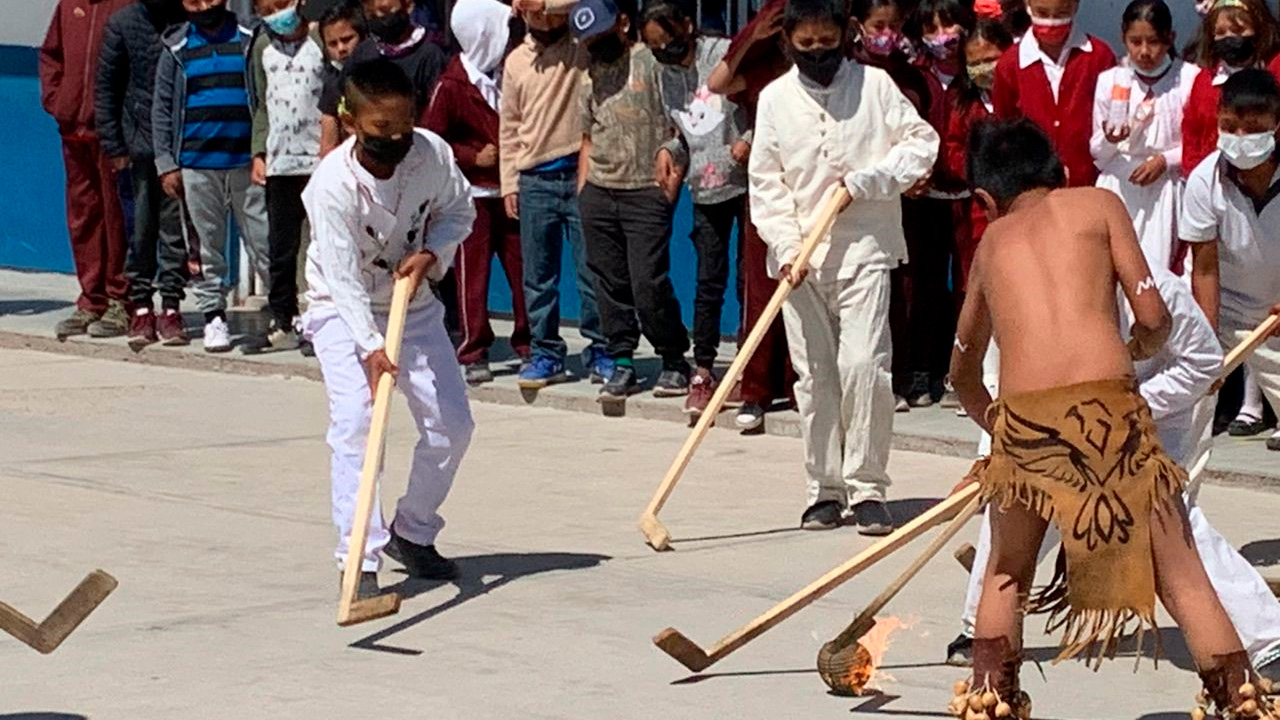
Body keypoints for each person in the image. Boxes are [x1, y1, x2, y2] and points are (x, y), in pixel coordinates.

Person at [950, 117, 1266, 719]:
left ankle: (989, 702)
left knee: (1007, 571)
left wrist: (1002, 439)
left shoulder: (990, 246)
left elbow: (962, 370)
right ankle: (1242, 703)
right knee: (1181, 575)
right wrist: (1137, 352)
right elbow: (1153, 316)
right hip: (1110, 414)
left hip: (1024, 423)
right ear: (1063, 174)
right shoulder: (1099, 203)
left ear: (986, 202)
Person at [945, 266, 1280, 682]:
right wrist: (994, 460)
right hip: (1064, 422)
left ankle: (1266, 636)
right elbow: (1010, 394)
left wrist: (1127, 407)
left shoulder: (1160, 291)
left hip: (1162, 416)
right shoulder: (1037, 301)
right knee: (1020, 504)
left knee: (1175, 529)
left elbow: (1202, 364)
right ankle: (976, 629)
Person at [750, 0, 938, 535]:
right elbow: (765, 183)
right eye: (805, 47)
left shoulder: (876, 88)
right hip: (798, 260)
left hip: (864, 251)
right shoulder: (774, 99)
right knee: (815, 378)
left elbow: (921, 144)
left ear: (845, 35)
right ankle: (824, 489)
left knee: (863, 366)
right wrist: (788, 247)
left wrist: (871, 180)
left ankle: (868, 486)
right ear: (788, 42)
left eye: (826, 45)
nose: (817, 55)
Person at [301, 58, 476, 592]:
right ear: (350, 121)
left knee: (452, 426)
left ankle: (413, 531)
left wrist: (431, 253)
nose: (396, 140)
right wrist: (372, 347)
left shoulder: (431, 154)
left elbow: (459, 212)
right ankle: (358, 559)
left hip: (413, 301)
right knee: (358, 427)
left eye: (404, 127)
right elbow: (341, 277)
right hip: (341, 309)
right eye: (382, 131)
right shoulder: (331, 187)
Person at [574, 0, 691, 403]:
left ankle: (674, 357)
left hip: (646, 189)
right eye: (588, 40)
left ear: (623, 24)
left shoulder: (652, 63)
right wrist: (583, 192)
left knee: (648, 282)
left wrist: (672, 174)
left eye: (602, 36)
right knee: (608, 282)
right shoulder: (587, 75)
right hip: (600, 191)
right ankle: (621, 359)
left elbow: (681, 121)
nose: (596, 45)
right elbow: (587, 137)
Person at [642, 0, 750, 416]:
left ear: (687, 25)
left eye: (669, 41)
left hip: (747, 179)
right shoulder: (665, 75)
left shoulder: (720, 55)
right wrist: (668, 152)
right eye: (654, 47)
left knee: (750, 280)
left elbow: (762, 97)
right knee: (709, 281)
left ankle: (748, 366)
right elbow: (684, 131)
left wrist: (751, 137)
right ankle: (703, 370)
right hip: (705, 188)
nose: (665, 51)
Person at [501, 3, 612, 389]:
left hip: (580, 173)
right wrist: (509, 182)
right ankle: (546, 352)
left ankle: (601, 349)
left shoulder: (580, 47)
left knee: (590, 272)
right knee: (538, 278)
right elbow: (509, 126)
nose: (542, 19)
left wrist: (545, 3)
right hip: (534, 180)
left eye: (547, 10)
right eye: (532, 12)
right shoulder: (516, 61)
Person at [153, 0, 272, 353]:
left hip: (247, 163)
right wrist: (166, 163)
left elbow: (266, 95)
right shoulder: (175, 48)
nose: (204, 4)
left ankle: (287, 314)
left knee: (264, 241)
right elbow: (162, 108)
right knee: (207, 247)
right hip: (196, 163)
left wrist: (263, 152)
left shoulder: (251, 37)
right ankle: (213, 317)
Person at [425, 0, 533, 385]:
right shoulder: (451, 85)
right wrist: (472, 156)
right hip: (471, 196)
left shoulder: (510, 74)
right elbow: (430, 142)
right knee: (474, 275)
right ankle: (473, 348)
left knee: (525, 270)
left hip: (512, 190)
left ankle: (529, 342)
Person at [706, 0, 796, 432]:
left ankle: (802, 387)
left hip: (818, 193)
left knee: (810, 293)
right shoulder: (767, 72)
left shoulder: (843, 74)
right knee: (761, 290)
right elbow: (718, 82)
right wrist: (751, 41)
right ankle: (755, 391)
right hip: (769, 192)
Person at [1182, 69, 1280, 453]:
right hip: (1228, 315)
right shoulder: (1205, 180)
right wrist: (1208, 341)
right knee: (1189, 408)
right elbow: (1204, 268)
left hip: (1276, 318)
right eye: (1229, 126)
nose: (1240, 139)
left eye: (1253, 127)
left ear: (1276, 123)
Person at [95, 0, 191, 350]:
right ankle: (140, 305)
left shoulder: (186, 21)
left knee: (173, 234)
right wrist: (115, 147)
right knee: (139, 230)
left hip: (178, 151)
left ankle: (170, 307)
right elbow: (106, 89)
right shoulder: (122, 23)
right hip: (136, 150)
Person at [40, 0, 135, 340]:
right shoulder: (69, 5)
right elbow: (51, 54)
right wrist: (57, 100)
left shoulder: (126, 6)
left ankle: (120, 301)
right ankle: (90, 300)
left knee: (116, 217)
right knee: (83, 216)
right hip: (73, 130)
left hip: (113, 133)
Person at [1090, 0, 1199, 274]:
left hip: (1165, 189)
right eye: (1135, 42)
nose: (1144, 51)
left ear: (1170, 38)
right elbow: (1098, 155)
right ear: (1123, 38)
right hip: (1119, 186)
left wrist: (1166, 160)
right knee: (1114, 268)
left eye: (1153, 41)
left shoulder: (1188, 79)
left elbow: (1199, 144)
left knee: (1157, 270)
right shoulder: (1110, 80)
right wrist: (1110, 140)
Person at [248, 0, 327, 353]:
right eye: (266, 8)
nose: (276, 13)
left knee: (320, 246)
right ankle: (283, 320)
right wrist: (259, 152)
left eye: (280, 4)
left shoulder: (320, 40)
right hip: (280, 163)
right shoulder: (262, 46)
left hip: (319, 161)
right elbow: (261, 102)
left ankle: (319, 322)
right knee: (282, 247)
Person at [992, 0, 1116, 189]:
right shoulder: (1009, 64)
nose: (1051, 22)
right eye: (1042, 13)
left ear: (1075, 6)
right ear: (1028, 5)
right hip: (1033, 187)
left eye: (1061, 13)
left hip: (1090, 184)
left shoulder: (1100, 57)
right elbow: (1005, 126)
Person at [942, 19, 1011, 347]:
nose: (984, 69)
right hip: (976, 208)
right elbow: (953, 148)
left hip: (1019, 204)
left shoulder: (1021, 93)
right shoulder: (961, 102)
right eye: (975, 63)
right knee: (974, 283)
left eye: (991, 59)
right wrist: (976, 172)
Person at [316, 0, 447, 148]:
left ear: (408, 5)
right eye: (371, 14)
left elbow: (438, 116)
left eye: (385, 12)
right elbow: (334, 103)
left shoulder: (430, 56)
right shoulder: (365, 52)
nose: (378, 17)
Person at [1180, 0, 1280, 178]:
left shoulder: (1274, 73)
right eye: (1220, 33)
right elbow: (1192, 132)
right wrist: (1196, 175)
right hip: (1215, 179)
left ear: (1258, 29)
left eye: (1238, 31)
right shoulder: (1204, 82)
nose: (1229, 38)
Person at [318, 3, 367, 156]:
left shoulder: (381, 72)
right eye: (332, 44)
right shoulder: (333, 81)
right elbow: (328, 143)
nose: (341, 49)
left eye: (347, 40)